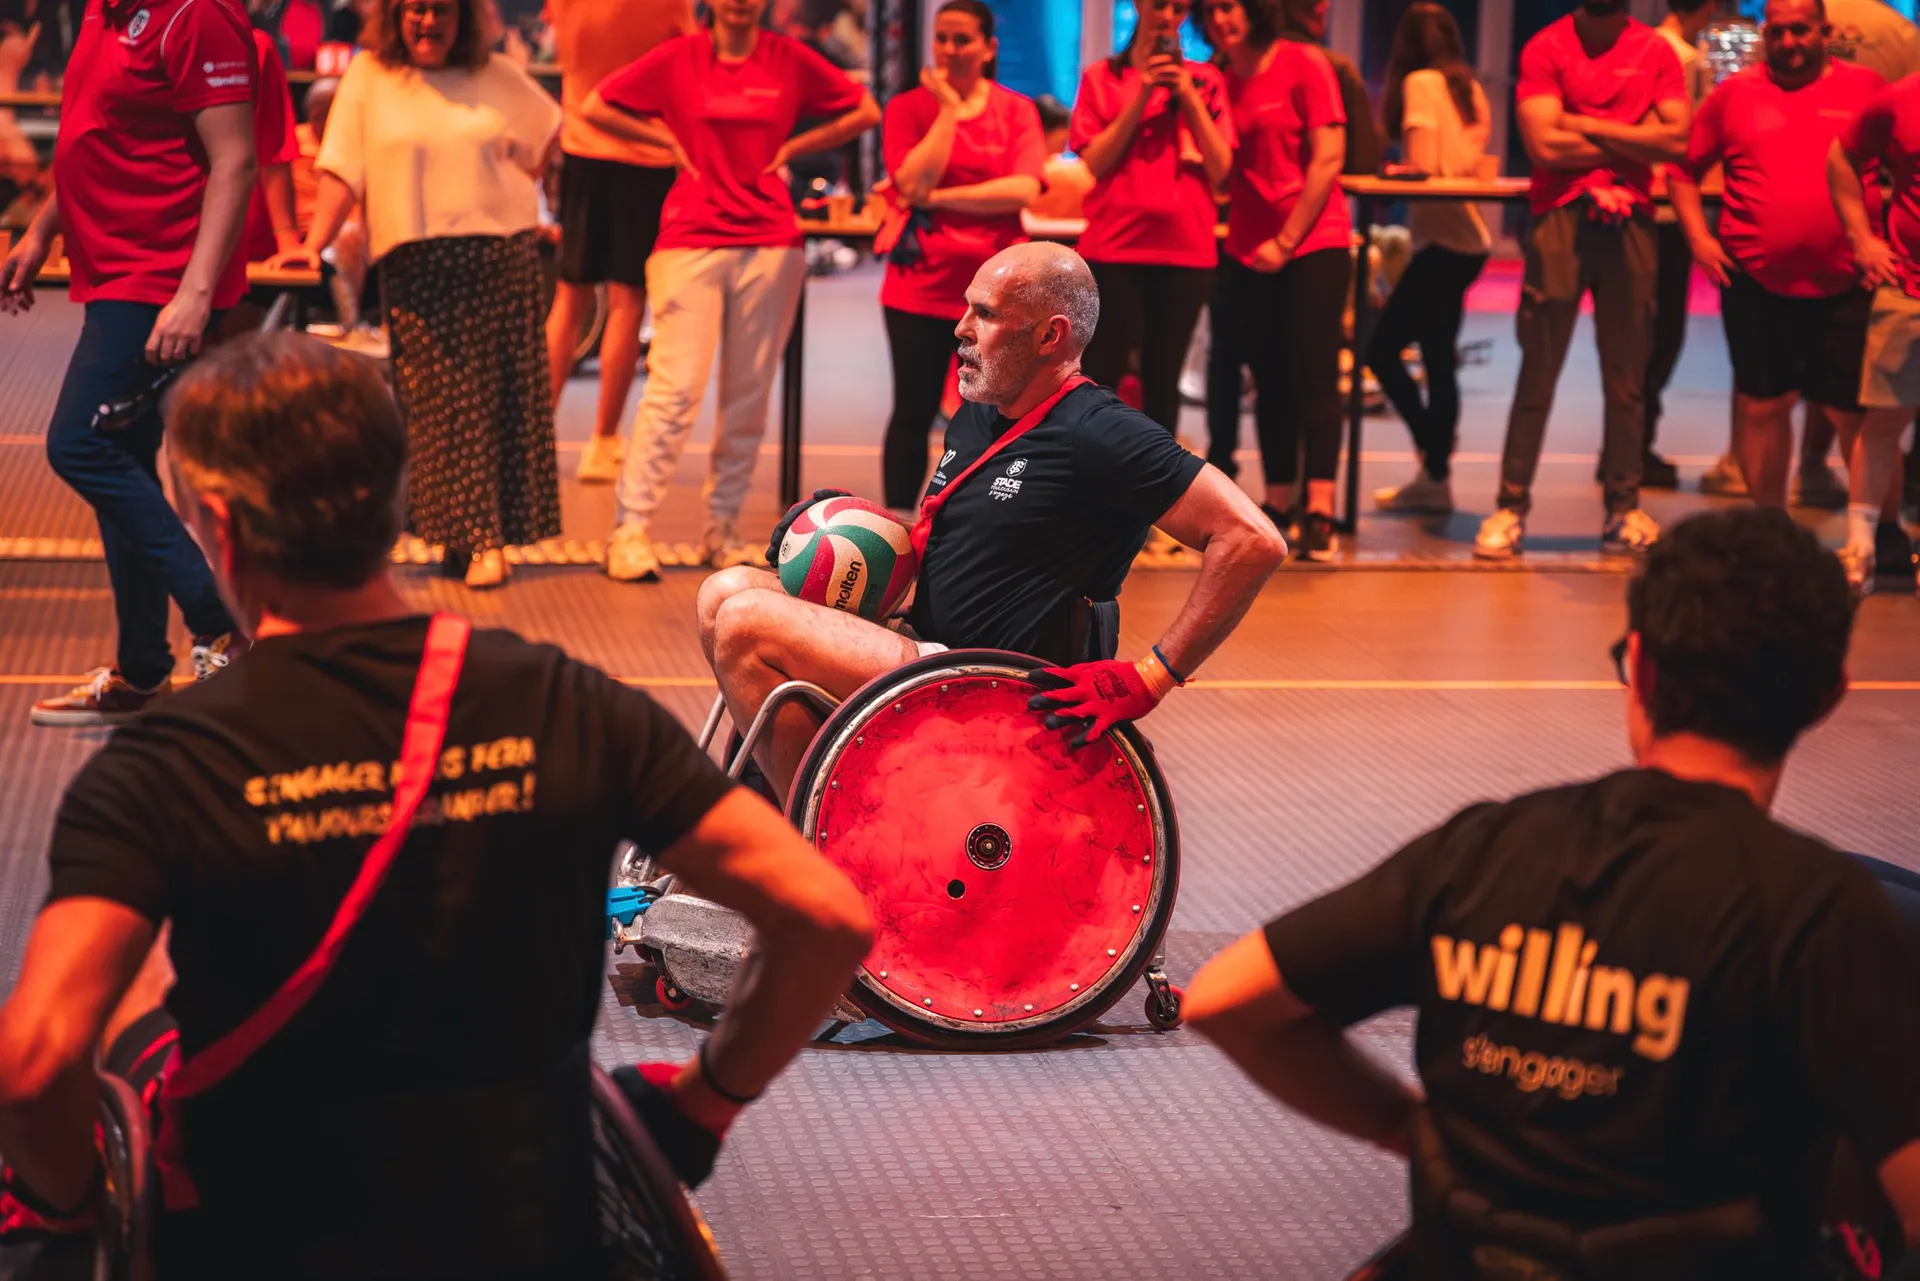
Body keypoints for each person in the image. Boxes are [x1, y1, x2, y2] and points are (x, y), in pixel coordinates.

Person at [0, 332, 876, 1279]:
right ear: (395, 497)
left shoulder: (164, 763)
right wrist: (701, 1104)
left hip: (256, 1238)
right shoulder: (564, 700)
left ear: (219, 524)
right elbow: (824, 916)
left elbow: (35, 1062)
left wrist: (78, 1205)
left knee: (142, 967)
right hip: (531, 1233)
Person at [1186, 505, 1920, 1279]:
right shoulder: (1822, 914)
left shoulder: (1483, 849)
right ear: (1828, 696)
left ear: (1639, 665)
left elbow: (1225, 999)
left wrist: (1407, 1126)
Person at [697, 242, 1286, 799]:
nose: (960, 328)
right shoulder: (981, 413)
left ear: (1049, 336)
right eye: (966, 307)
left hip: (995, 682)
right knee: (725, 591)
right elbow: (965, 546)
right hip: (928, 648)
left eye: (985, 314)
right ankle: (805, 805)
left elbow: (1252, 539)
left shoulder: (1099, 431)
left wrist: (1152, 676)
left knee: (749, 624)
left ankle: (807, 861)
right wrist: (838, 527)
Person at [0, 0, 255, 727]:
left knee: (77, 442)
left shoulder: (197, 15)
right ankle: (143, 671)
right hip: (108, 272)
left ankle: (220, 623)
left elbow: (235, 160)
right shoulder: (103, 12)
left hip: (157, 282)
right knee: (124, 462)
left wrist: (195, 295)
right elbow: (95, 136)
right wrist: (42, 229)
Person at [580, 0, 879, 583]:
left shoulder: (787, 58)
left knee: (748, 395)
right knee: (674, 389)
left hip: (771, 240)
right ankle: (630, 528)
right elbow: (595, 106)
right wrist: (667, 144)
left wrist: (792, 150)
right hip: (690, 237)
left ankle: (723, 529)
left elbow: (864, 110)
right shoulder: (678, 58)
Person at [272, 0, 564, 592]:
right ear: (395, 15)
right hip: (417, 263)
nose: (428, 23)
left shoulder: (497, 76)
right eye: (416, 10)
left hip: (501, 257)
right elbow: (340, 173)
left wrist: (550, 208)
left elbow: (550, 142)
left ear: (465, 19)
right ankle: (460, 535)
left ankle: (486, 540)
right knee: (437, 409)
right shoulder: (370, 79)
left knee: (495, 401)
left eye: (442, 13)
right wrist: (313, 243)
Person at [1476, 0, 1689, 561]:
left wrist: (1582, 122)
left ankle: (1624, 507)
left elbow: (1675, 142)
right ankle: (1510, 506)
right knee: (1538, 370)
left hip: (1634, 221)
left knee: (1628, 378)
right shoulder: (1547, 46)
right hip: (1560, 218)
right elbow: (1544, 145)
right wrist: (1631, 134)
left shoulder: (1655, 50)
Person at [1670, 0, 1881, 516]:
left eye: (1801, 31)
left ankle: (1872, 541)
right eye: (1778, 31)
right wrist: (1700, 239)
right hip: (1755, 280)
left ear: (1825, 31)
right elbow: (1682, 171)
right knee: (1764, 407)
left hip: (1849, 279)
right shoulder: (1734, 95)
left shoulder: (1867, 89)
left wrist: (1885, 241)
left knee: (1855, 416)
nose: (1789, 42)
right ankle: (1770, 531)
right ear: (1765, 33)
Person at [876, 0, 1045, 514]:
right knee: (913, 408)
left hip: (998, 294)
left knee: (997, 410)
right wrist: (949, 111)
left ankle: (983, 524)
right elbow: (911, 181)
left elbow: (1021, 189)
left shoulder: (1016, 110)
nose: (950, 49)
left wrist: (940, 199)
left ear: (989, 47)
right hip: (919, 285)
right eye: (942, 38)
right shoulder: (909, 108)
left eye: (962, 39)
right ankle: (899, 529)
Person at [1202, 0, 1348, 561]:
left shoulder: (1303, 62)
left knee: (1314, 375)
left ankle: (1320, 511)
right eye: (1210, 10)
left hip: (1313, 238)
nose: (1220, 18)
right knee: (1269, 378)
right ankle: (1280, 501)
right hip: (1246, 245)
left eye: (1229, 6)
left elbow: (1327, 158)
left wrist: (1286, 240)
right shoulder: (1217, 77)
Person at [1069, 0, 1234, 448]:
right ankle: (1093, 484)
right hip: (1114, 248)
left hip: (1185, 250)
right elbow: (1096, 162)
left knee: (1164, 382)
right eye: (1160, 4)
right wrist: (1143, 94)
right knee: (1100, 376)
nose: (1168, 16)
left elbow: (1222, 168)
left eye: (1179, 8)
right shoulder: (1102, 78)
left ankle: (1155, 495)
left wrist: (1187, 96)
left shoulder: (1206, 81)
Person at [545, 0, 695, 484]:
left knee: (570, 297)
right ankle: (603, 443)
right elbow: (690, 56)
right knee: (626, 301)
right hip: (645, 150)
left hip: (581, 147)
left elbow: (559, 42)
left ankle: (536, 436)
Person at [1366, 2, 1491, 518]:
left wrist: (1395, 173)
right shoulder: (1468, 86)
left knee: (1381, 350)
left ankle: (1434, 461)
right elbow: (1469, 162)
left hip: (1443, 243)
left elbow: (1423, 163)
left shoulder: (1419, 83)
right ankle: (1434, 476)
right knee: (1438, 359)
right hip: (1469, 241)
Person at [1829, 59, 1920, 595]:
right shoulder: (1899, 99)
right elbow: (1842, 155)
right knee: (1882, 422)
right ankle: (1859, 547)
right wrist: (1863, 238)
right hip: (1908, 290)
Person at [1636, 0, 1715, 495]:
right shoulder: (1686, 60)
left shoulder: (1640, 46)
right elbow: (1692, 138)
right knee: (1662, 335)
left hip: (1635, 205)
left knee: (1632, 335)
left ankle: (1628, 444)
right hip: (1667, 210)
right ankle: (1634, 447)